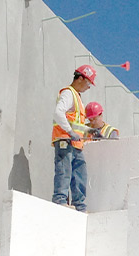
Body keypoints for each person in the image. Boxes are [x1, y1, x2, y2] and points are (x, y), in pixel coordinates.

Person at [51, 65, 96, 211]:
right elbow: (58, 113)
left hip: (75, 143)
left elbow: (76, 122)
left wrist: (89, 132)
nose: (89, 87)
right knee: (64, 171)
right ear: (81, 78)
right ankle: (60, 200)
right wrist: (70, 132)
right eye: (89, 83)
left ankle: (80, 206)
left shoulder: (77, 98)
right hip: (65, 140)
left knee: (79, 175)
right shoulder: (68, 93)